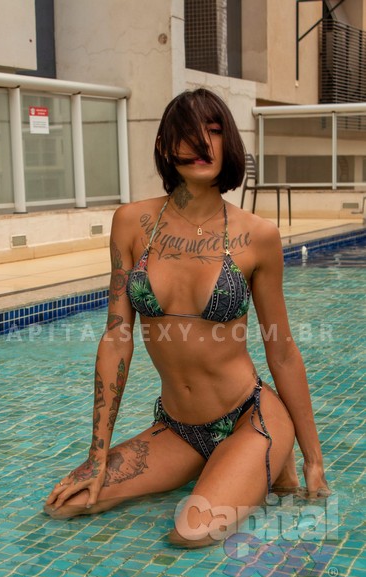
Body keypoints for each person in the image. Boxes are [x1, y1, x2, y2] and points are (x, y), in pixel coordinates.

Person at [44, 88, 330, 547]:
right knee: (67, 503)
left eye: (214, 131)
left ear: (228, 141)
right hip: (177, 427)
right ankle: (221, 466)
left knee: (191, 533)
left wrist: (314, 456)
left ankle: (269, 456)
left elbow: (281, 350)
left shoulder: (257, 236)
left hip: (248, 415)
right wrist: (97, 456)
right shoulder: (131, 224)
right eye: (188, 134)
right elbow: (117, 338)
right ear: (164, 145)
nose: (202, 144)